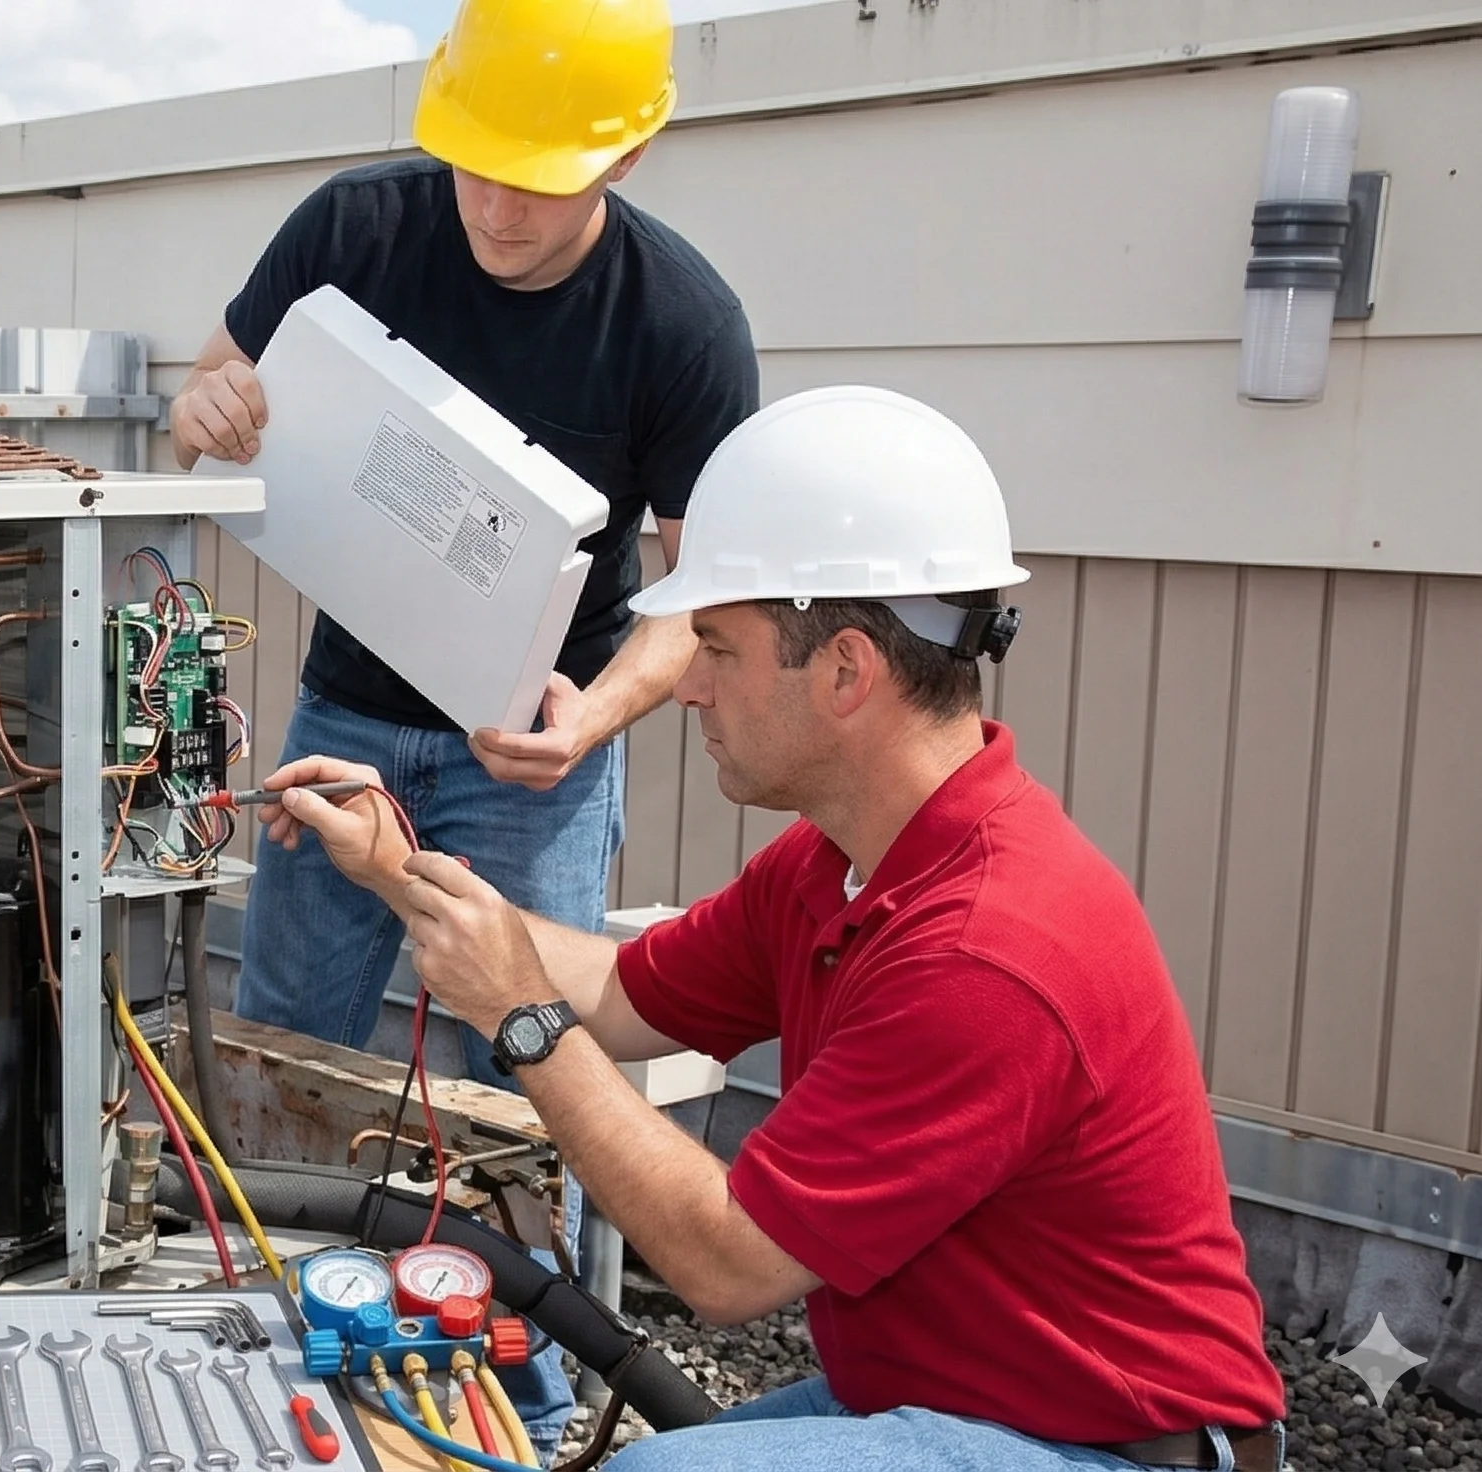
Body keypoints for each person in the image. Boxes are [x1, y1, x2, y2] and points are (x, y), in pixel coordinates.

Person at [260, 386, 1287, 1470]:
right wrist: (394, 867)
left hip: (1113, 1446)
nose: (688, 688)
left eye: (716, 645)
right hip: (956, 1394)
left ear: (846, 669)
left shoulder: (985, 949)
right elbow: (618, 994)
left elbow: (725, 1263)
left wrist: (520, 1017)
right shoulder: (846, 856)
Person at [172, 0, 756, 1088]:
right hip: (343, 717)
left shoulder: (681, 325)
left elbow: (705, 594)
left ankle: (520, 1266)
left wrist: (594, 717)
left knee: (529, 1082)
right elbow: (207, 385)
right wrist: (208, 408)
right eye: (472, 165)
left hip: (534, 760)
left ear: (626, 153)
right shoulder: (353, 228)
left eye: (534, 178)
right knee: (280, 1054)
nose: (492, 207)